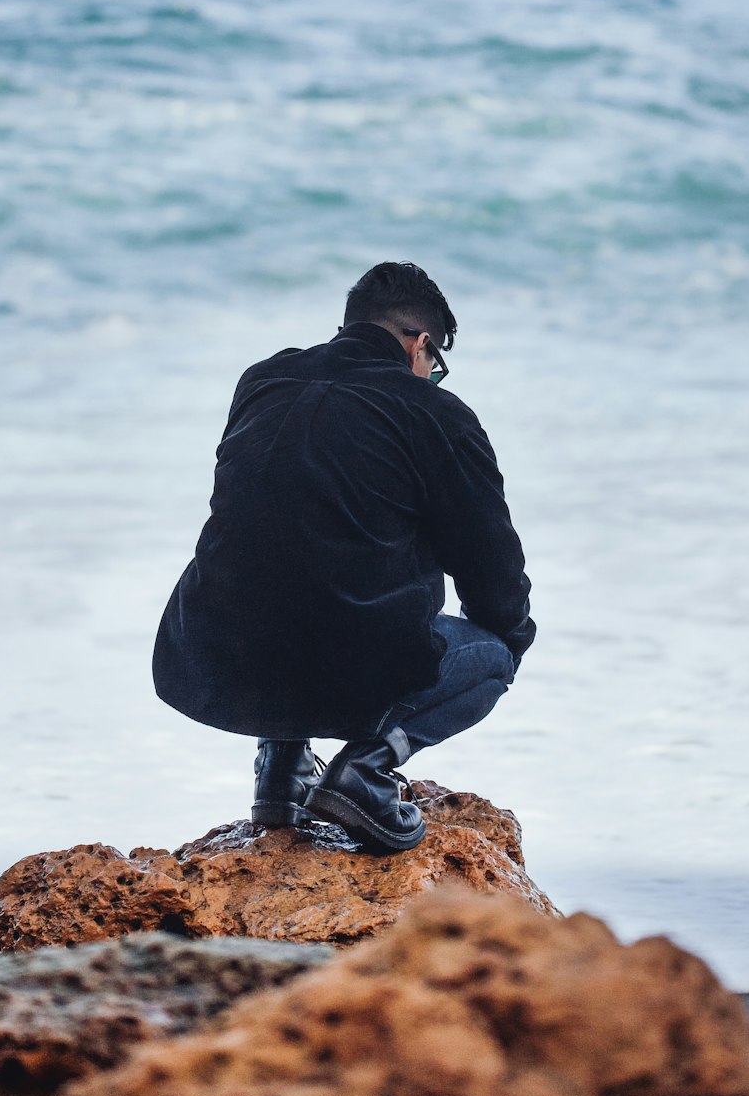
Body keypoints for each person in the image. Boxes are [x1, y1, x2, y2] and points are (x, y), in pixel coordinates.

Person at [153, 261, 535, 852]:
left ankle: (279, 772)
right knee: (491, 653)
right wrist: (510, 635)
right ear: (421, 344)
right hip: (337, 664)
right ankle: (366, 772)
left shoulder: (262, 381)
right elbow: (492, 566)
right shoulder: (436, 414)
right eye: (433, 366)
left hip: (207, 653)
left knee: (296, 560)